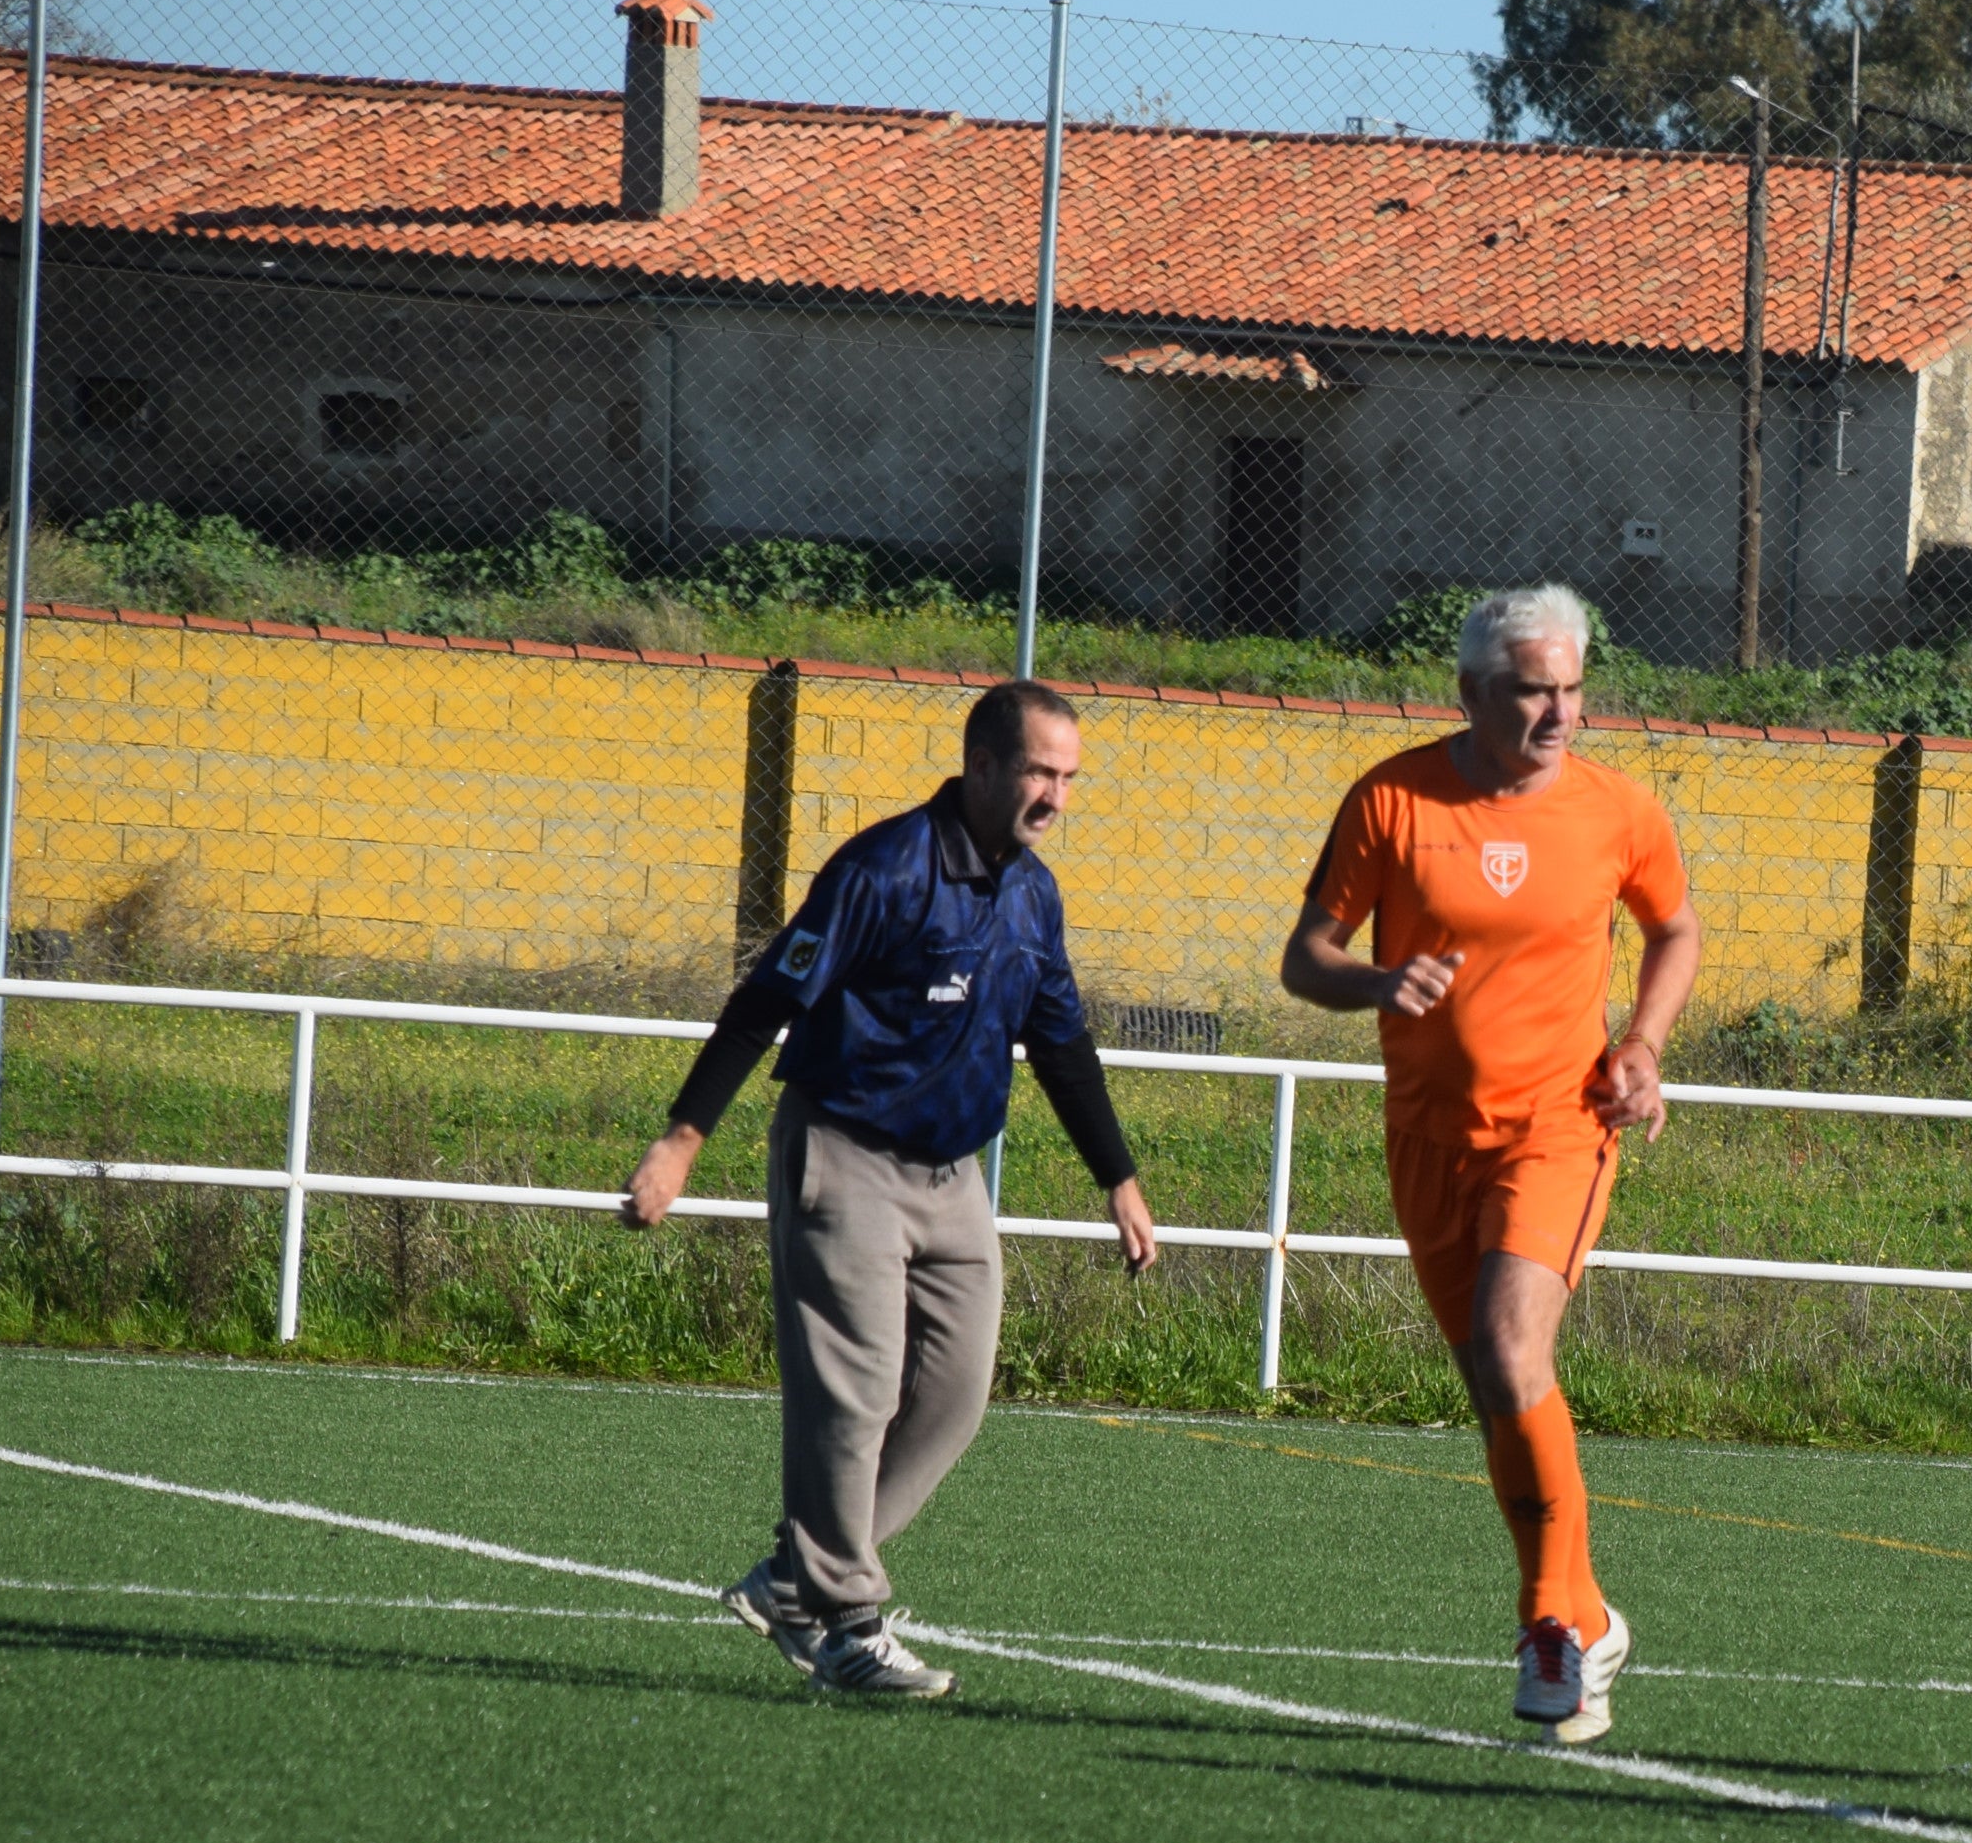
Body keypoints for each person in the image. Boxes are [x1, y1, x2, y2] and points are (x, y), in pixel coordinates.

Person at [622, 679, 1159, 1698]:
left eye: (1070, 777)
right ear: (984, 765)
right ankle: (849, 1623)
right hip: (845, 1154)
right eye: (1041, 771)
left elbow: (1059, 1040)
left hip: (952, 1178)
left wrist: (1118, 1179)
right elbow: (764, 1001)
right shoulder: (884, 870)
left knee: (954, 1393)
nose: (1056, 795)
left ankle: (796, 1576)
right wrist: (682, 1139)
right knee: (855, 1391)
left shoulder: (1033, 891)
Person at [1283, 584, 1701, 1743]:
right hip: (1425, 1136)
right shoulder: (1392, 800)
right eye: (1534, 691)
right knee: (1490, 1386)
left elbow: (1675, 928)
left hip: (1558, 1129)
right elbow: (1304, 957)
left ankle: (1546, 1630)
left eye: (1572, 689)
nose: (1560, 712)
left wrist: (1644, 1047)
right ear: (1470, 692)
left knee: (1518, 1350)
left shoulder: (1618, 811)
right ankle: (1588, 1612)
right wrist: (1373, 981)